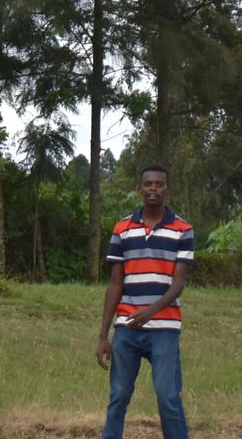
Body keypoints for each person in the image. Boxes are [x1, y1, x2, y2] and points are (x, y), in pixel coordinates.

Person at [96, 166, 196, 439]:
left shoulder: (182, 230)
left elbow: (178, 284)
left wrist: (150, 312)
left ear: (167, 189)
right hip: (127, 328)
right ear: (140, 189)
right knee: (118, 396)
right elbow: (116, 284)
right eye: (148, 184)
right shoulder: (122, 229)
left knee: (168, 397)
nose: (153, 189)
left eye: (159, 184)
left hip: (164, 327)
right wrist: (104, 335)